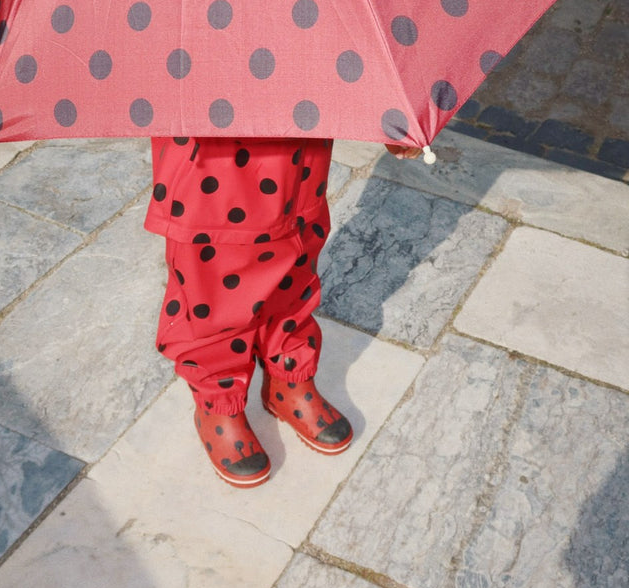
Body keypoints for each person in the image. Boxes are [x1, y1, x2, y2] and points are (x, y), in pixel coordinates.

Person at [144, 135, 422, 488]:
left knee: (296, 243)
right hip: (209, 133)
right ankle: (218, 399)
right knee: (213, 271)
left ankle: (289, 374)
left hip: (296, 125)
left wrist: (386, 118)